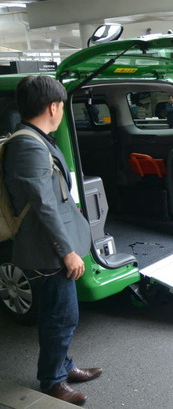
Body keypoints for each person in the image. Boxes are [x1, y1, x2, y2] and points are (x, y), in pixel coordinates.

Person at [4, 75, 102, 405]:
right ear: (54, 106)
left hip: (51, 246)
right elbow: (44, 205)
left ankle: (64, 365)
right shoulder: (28, 145)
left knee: (58, 314)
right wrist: (67, 252)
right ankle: (53, 381)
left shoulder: (36, 138)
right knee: (61, 317)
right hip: (47, 251)